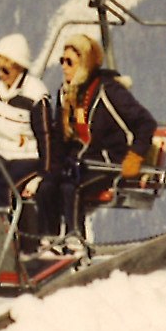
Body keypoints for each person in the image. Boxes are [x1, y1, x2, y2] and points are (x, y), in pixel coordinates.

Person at [45, 32, 157, 249]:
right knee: (49, 184)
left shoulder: (109, 91)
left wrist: (135, 156)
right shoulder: (66, 94)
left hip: (111, 161)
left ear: (85, 64)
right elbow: (60, 136)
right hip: (81, 161)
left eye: (69, 62)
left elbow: (146, 123)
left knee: (71, 187)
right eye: (62, 61)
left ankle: (75, 240)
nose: (63, 67)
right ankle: (49, 239)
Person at [0, 34, 57, 229]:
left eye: (5, 69)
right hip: (3, 154)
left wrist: (44, 174)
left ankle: (7, 238)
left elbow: (46, 137)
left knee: (3, 187)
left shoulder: (35, 95)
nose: (0, 74)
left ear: (18, 66)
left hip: (28, 157)